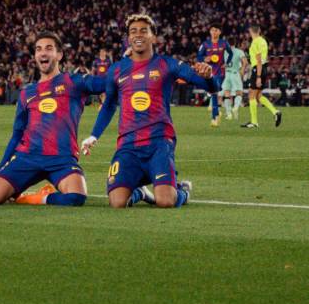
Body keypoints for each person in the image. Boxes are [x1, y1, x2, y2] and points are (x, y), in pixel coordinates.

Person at [81, 13, 220, 208]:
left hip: (159, 142)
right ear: (128, 38)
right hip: (128, 145)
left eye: (143, 31)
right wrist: (94, 136)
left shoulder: (168, 64)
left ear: (153, 36)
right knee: (117, 202)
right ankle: (140, 192)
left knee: (166, 201)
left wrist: (209, 76)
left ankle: (183, 192)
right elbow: (110, 104)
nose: (138, 35)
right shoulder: (117, 70)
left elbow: (213, 88)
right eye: (133, 31)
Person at [0, 32, 109, 207]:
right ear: (35, 56)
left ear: (59, 55)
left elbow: (108, 83)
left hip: (61, 158)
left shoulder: (74, 82)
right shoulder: (27, 93)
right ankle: (18, 187)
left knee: (75, 197)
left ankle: (36, 198)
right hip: (28, 157)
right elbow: (17, 135)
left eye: (49, 48)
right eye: (39, 49)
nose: (43, 53)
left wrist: (127, 66)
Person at [243, 24, 280, 128]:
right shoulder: (263, 41)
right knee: (258, 96)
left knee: (251, 94)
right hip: (264, 68)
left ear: (251, 31)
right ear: (259, 31)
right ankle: (275, 112)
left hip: (257, 69)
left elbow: (258, 60)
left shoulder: (255, 42)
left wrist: (258, 76)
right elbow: (264, 58)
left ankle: (254, 122)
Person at [198, 24, 233, 127]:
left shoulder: (224, 43)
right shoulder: (205, 45)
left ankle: (216, 114)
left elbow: (230, 53)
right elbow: (199, 57)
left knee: (214, 93)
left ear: (220, 32)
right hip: (210, 73)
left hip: (221, 73)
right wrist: (204, 59)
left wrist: (227, 62)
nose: (214, 32)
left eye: (216, 30)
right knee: (214, 93)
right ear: (210, 32)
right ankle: (215, 117)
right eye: (212, 30)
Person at [223, 42, 249, 122]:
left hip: (227, 74)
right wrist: (242, 69)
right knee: (239, 93)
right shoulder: (239, 51)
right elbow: (245, 62)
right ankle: (235, 108)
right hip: (235, 74)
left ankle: (229, 114)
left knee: (227, 94)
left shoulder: (224, 51)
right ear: (235, 43)